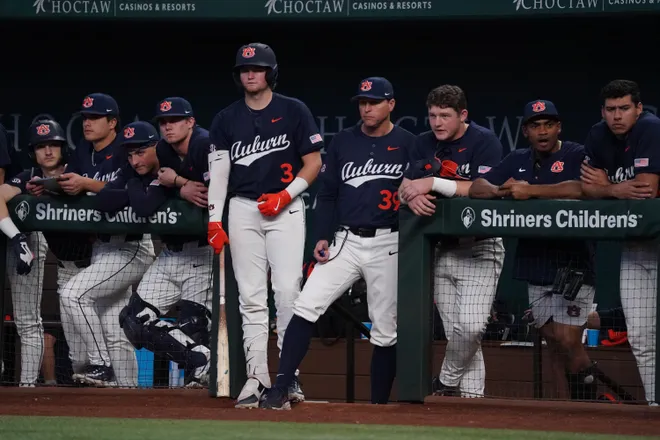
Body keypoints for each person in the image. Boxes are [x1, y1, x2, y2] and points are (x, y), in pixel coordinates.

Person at [261, 77, 415, 410]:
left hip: (388, 242)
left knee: (385, 330)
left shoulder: (408, 143)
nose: (366, 107)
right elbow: (328, 193)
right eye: (362, 102)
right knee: (305, 306)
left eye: (374, 102)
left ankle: (377, 407)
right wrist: (321, 235)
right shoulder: (344, 140)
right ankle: (282, 386)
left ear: (391, 104)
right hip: (345, 240)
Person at [207, 42, 323, 408]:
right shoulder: (226, 118)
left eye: (257, 68)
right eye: (244, 69)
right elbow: (221, 173)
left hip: (284, 210)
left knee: (288, 291)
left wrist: (286, 195)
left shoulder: (293, 110)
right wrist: (214, 218)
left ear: (270, 72)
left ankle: (289, 377)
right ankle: (257, 376)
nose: (250, 74)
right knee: (251, 297)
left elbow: (314, 162)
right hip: (243, 208)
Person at [469, 100, 599, 400]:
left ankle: (590, 400)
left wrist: (530, 190)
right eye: (535, 125)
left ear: (559, 127)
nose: (542, 131)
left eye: (548, 124)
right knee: (553, 342)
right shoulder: (516, 159)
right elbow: (477, 186)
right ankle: (564, 409)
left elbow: (583, 188)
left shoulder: (576, 153)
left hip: (573, 258)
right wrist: (502, 189)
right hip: (535, 260)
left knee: (567, 339)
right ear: (525, 131)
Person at [398, 85, 505, 398]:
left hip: (481, 246)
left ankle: (444, 383)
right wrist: (411, 198)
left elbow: (485, 189)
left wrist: (431, 183)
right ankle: (473, 407)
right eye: (432, 115)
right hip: (441, 248)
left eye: (445, 115)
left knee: (471, 328)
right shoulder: (422, 143)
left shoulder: (484, 141)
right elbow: (406, 185)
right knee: (460, 334)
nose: (437, 122)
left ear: (463, 115)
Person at [95, 110, 213, 388]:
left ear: (156, 148)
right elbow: (104, 201)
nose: (135, 160)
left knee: (193, 328)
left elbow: (145, 206)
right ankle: (201, 359)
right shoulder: (136, 170)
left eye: (141, 152)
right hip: (169, 254)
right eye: (130, 154)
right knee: (133, 321)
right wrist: (139, 184)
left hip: (202, 254)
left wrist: (174, 184)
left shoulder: (175, 160)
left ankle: (204, 376)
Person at [57, 93, 155, 387]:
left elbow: (123, 190)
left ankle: (100, 363)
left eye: (95, 117)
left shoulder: (126, 149)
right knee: (115, 328)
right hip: (102, 247)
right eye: (85, 117)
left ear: (113, 122)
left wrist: (87, 184)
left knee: (72, 294)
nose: (87, 123)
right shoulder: (81, 153)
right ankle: (126, 399)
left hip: (130, 244)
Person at [580, 79, 659, 406]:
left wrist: (608, 185)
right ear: (603, 111)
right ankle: (657, 405)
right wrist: (615, 189)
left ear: (638, 109)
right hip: (635, 244)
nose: (617, 116)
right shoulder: (597, 135)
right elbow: (586, 188)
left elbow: (646, 191)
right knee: (640, 335)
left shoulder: (651, 129)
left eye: (624, 108)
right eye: (611, 109)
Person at [0, 119, 77, 387]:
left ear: (62, 148)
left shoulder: (77, 172)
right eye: (41, 146)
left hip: (82, 259)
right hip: (34, 243)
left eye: (53, 145)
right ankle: (27, 387)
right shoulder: (27, 174)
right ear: (33, 152)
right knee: (27, 320)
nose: (47, 151)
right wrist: (26, 191)